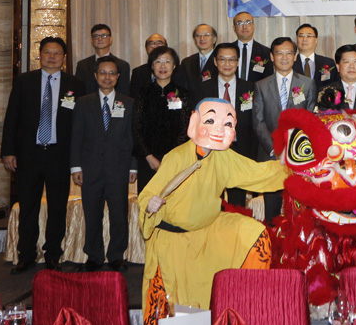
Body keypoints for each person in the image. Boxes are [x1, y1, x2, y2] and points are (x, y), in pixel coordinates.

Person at [139, 98, 289, 325]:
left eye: (227, 124)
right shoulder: (177, 157)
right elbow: (149, 192)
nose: (219, 129)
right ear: (194, 123)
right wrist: (151, 203)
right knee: (168, 316)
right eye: (210, 121)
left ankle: (243, 307)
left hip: (208, 231)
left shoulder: (222, 156)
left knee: (253, 234)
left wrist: (289, 164)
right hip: (173, 243)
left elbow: (257, 173)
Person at [1, 36, 84, 273]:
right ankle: (26, 254)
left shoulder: (75, 84)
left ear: (64, 58)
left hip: (59, 155)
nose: (52, 57)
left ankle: (53, 254)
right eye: (47, 52)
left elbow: (80, 123)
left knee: (57, 207)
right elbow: (12, 117)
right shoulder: (24, 81)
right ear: (40, 55)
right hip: (29, 155)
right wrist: (8, 151)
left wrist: (78, 158)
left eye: (57, 53)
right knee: (28, 207)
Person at [70, 56, 136, 272]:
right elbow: (76, 137)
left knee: (119, 215)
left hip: (119, 168)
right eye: (103, 73)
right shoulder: (83, 102)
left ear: (118, 77)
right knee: (92, 214)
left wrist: (133, 166)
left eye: (112, 73)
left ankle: (117, 255)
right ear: (95, 75)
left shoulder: (128, 102)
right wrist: (76, 167)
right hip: (90, 170)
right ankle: (94, 256)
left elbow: (133, 138)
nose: (107, 77)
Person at [251, 37, 316, 222]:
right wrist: (276, 149)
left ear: (295, 56)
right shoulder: (261, 85)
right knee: (272, 210)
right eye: (279, 53)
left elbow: (310, 120)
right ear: (272, 56)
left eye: (289, 53)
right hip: (270, 156)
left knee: (298, 211)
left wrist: (294, 149)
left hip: (300, 157)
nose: (284, 57)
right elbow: (258, 122)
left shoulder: (307, 84)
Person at [199, 43, 258, 207]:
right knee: (211, 200)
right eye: (222, 59)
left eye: (231, 59)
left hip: (240, 150)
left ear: (238, 62)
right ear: (215, 62)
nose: (227, 64)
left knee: (237, 202)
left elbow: (255, 122)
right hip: (212, 150)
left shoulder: (250, 88)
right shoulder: (203, 88)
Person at [132, 46, 193, 193]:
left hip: (176, 161)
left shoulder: (183, 94)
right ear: (152, 66)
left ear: (174, 65)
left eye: (167, 61)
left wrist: (172, 159)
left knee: (175, 202)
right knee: (148, 201)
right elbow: (136, 127)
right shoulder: (142, 94)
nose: (163, 66)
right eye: (158, 61)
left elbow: (186, 127)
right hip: (148, 161)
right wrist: (149, 157)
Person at [74, 24, 130, 96]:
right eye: (96, 36)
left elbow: (124, 93)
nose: (100, 39)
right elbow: (79, 91)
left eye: (104, 36)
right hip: (88, 102)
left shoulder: (123, 65)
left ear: (110, 40)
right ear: (92, 40)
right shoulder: (82, 65)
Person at [176, 24, 218, 92]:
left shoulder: (220, 60)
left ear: (214, 39)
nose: (202, 38)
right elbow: (181, 87)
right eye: (198, 35)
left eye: (207, 35)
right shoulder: (187, 63)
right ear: (194, 40)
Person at [233, 12, 272, 82]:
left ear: (253, 26)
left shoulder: (266, 52)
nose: (244, 27)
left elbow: (268, 80)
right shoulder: (227, 51)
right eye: (240, 23)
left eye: (248, 23)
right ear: (234, 28)